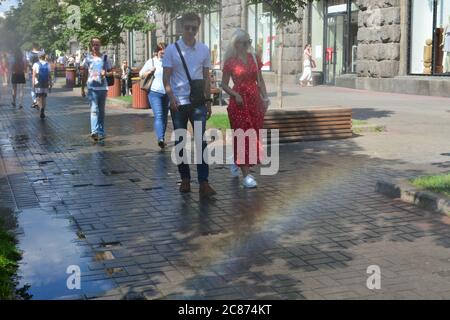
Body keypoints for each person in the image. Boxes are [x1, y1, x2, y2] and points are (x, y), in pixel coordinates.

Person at [163, 12, 216, 197]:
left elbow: (207, 77)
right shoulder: (171, 49)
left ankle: (204, 182)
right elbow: (166, 78)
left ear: (198, 28)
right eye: (187, 27)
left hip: (198, 102)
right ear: (181, 27)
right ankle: (185, 178)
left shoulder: (203, 49)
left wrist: (209, 102)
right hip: (179, 103)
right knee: (180, 141)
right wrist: (171, 99)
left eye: (194, 27)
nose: (191, 31)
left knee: (201, 141)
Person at [221, 29, 270, 188]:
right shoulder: (230, 62)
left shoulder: (254, 59)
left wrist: (265, 97)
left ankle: (240, 163)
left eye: (249, 41)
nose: (248, 45)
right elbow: (223, 84)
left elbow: (260, 80)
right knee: (242, 134)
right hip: (239, 102)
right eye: (245, 42)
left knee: (253, 135)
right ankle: (246, 175)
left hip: (254, 101)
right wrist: (235, 94)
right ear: (236, 44)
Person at [81, 37, 113, 141]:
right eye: (94, 44)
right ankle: (94, 132)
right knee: (94, 109)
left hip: (102, 88)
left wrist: (106, 73)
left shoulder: (105, 58)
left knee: (101, 111)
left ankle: (101, 131)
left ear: (100, 45)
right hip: (92, 87)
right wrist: (82, 88)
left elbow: (111, 71)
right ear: (91, 45)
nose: (95, 46)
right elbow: (85, 74)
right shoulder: (87, 59)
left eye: (97, 44)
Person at [140, 43, 169, 149]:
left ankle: (162, 137)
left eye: (165, 49)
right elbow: (141, 74)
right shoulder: (151, 61)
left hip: (167, 92)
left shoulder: (169, 61)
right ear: (157, 51)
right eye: (161, 50)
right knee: (159, 115)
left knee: (165, 117)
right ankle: (160, 138)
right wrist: (149, 71)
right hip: (154, 92)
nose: (163, 51)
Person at [32, 52, 52, 119]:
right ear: (44, 57)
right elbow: (49, 75)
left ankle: (40, 109)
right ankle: (43, 109)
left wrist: (33, 85)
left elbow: (34, 75)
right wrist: (50, 83)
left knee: (39, 97)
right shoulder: (48, 64)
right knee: (44, 97)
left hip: (38, 83)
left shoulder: (35, 64)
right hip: (45, 83)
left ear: (38, 57)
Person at [27, 44, 44, 108]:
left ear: (33, 47)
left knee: (33, 87)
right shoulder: (41, 53)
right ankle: (38, 101)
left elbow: (29, 63)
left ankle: (34, 101)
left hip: (32, 72)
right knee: (39, 87)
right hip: (41, 72)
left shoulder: (30, 54)